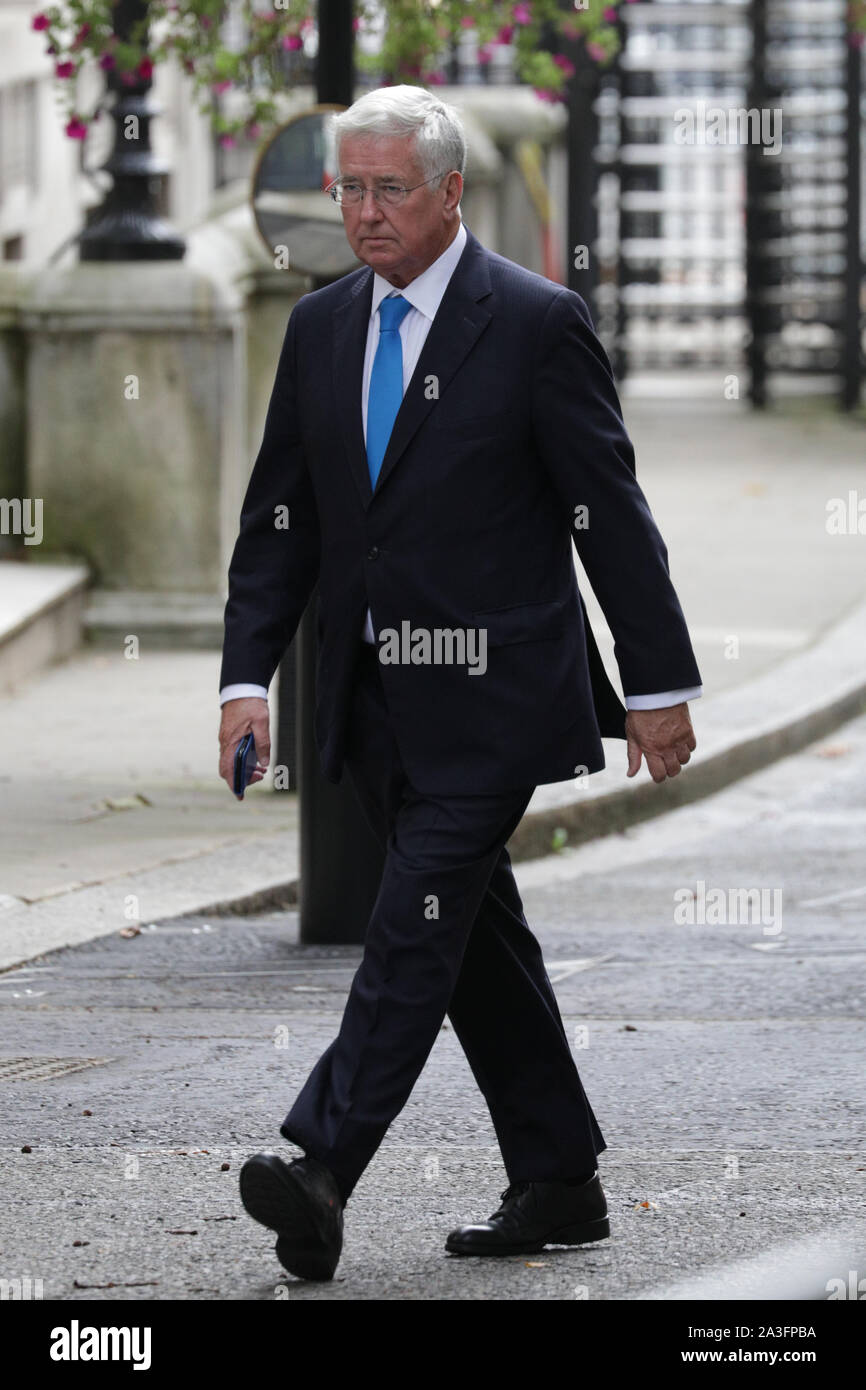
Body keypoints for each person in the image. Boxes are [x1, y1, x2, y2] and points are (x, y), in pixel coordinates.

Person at [218, 85, 701, 1282]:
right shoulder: (323, 326)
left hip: (495, 696)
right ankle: (559, 1178)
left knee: (413, 925)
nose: (365, 213)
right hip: (369, 699)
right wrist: (242, 679)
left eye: (389, 189)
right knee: (472, 934)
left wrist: (656, 683)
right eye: (349, 189)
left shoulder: (535, 323)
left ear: (448, 193)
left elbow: (609, 514)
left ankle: (321, 1167)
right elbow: (281, 520)